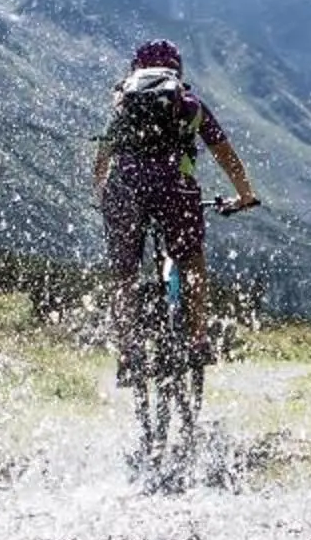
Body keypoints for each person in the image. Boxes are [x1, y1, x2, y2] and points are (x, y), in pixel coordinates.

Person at [94, 40, 259, 386]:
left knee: (124, 276)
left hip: (124, 191)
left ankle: (128, 350)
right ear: (177, 71)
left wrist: (104, 198)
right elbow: (224, 154)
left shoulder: (124, 102)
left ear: (135, 70)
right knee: (190, 261)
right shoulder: (188, 104)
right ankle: (197, 340)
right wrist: (244, 195)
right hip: (175, 191)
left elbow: (103, 160)